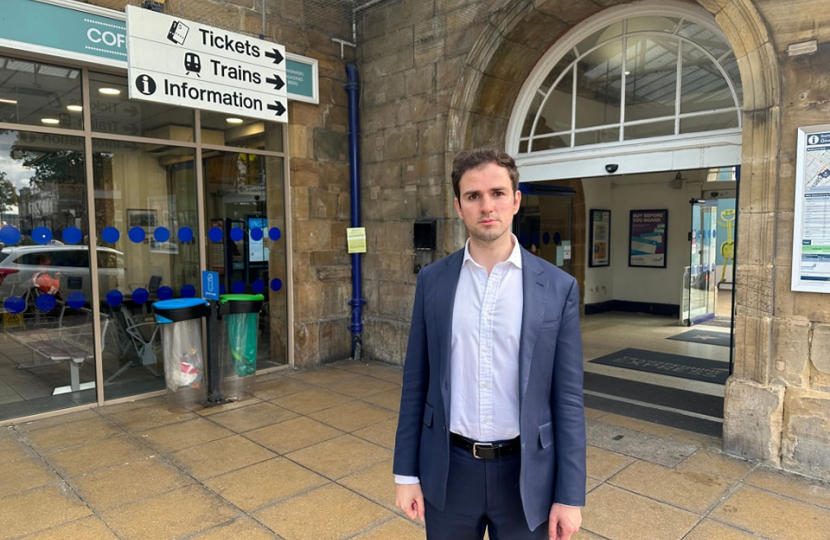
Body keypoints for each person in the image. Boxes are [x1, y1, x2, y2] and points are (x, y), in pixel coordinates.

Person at [393, 147, 586, 540]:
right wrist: (406, 473)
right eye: (473, 196)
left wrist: (570, 496)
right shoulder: (433, 282)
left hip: (526, 474)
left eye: (497, 193)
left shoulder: (557, 287)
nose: (487, 206)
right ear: (458, 206)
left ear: (515, 200)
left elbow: (567, 398)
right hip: (449, 470)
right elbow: (416, 381)